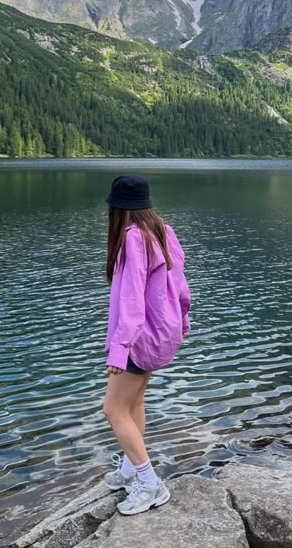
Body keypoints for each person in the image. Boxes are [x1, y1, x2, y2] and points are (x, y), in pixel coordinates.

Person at [102, 173, 191, 516]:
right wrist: (183, 320)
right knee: (134, 399)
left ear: (117, 209)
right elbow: (180, 284)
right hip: (163, 332)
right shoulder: (162, 230)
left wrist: (120, 347)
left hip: (140, 338)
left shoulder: (133, 239)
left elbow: (131, 300)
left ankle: (149, 483)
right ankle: (129, 467)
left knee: (112, 410)